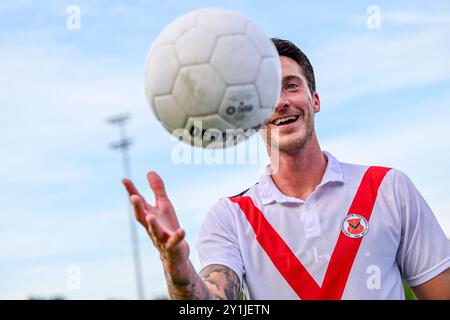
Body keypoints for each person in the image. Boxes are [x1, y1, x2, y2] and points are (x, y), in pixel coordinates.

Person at [122, 38, 450, 300]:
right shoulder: (231, 216)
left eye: (291, 85)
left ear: (315, 100)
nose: (280, 102)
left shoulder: (388, 188)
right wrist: (176, 265)